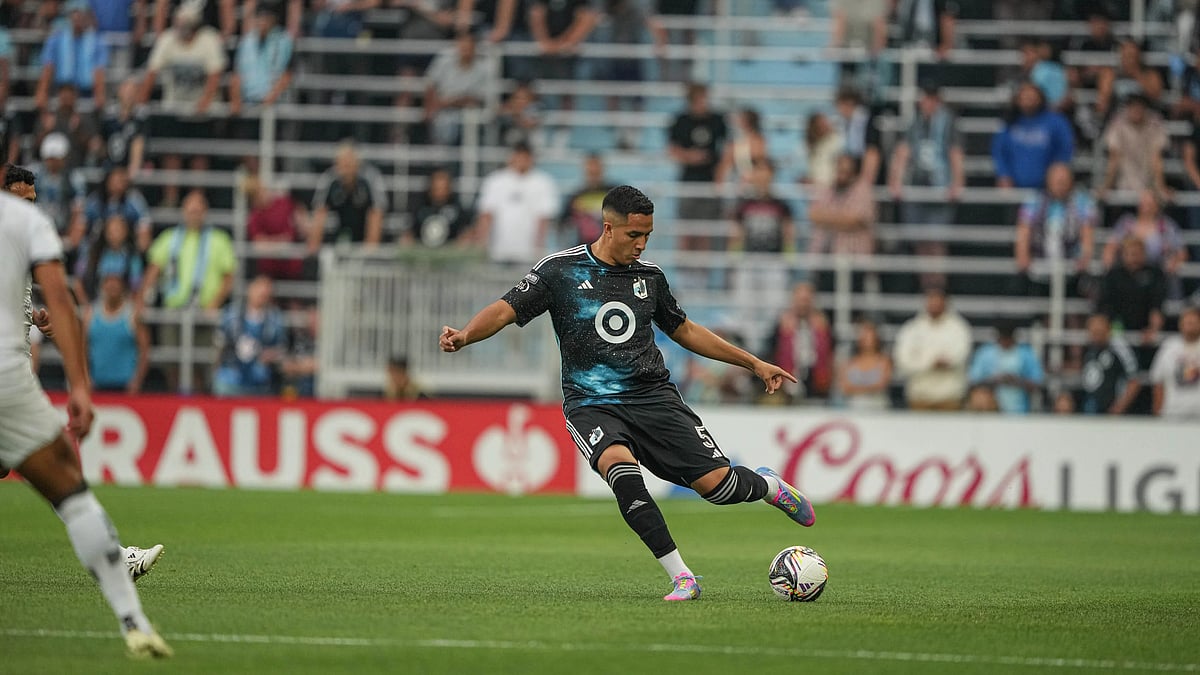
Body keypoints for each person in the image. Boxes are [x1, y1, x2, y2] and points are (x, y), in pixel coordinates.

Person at [440, 185, 816, 602]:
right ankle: (683, 577)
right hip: (591, 403)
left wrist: (754, 362)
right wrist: (466, 335)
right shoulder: (559, 271)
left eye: (648, 236)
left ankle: (768, 487)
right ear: (608, 227)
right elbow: (505, 309)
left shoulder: (650, 277)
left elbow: (685, 330)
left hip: (653, 397)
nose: (641, 244)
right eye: (634, 235)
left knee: (717, 487)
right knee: (622, 474)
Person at [0, 190, 172, 657]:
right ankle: (128, 604)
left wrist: (32, 324)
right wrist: (79, 385)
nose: (31, 200)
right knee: (67, 483)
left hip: (12, 379)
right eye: (24, 192)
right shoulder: (22, 222)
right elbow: (61, 296)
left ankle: (122, 562)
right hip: (7, 384)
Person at [142, 190, 237, 392]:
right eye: (190, 208)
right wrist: (141, 299)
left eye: (198, 208)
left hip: (204, 312)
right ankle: (176, 399)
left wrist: (214, 304)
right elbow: (153, 270)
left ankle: (200, 401)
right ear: (183, 211)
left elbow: (229, 277)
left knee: (201, 364)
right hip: (174, 310)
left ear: (205, 211)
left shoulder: (219, 239)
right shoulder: (170, 238)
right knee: (171, 361)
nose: (194, 212)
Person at [140, 3, 228, 208]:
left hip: (202, 112)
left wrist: (205, 100)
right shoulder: (167, 40)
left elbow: (215, 73)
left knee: (199, 157)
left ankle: (197, 199)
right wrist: (141, 100)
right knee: (171, 153)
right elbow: (152, 72)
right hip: (174, 108)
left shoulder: (209, 39)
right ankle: (171, 198)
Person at [888, 82, 964, 290]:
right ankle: (926, 289)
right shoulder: (914, 123)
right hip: (916, 189)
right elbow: (903, 152)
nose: (928, 103)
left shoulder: (948, 123)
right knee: (920, 243)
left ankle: (938, 289)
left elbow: (955, 153)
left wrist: (957, 183)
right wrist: (895, 180)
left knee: (937, 243)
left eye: (932, 99)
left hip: (940, 189)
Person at [1013, 162, 1097, 297]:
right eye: (1057, 181)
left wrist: (1085, 256)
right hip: (1040, 264)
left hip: (1071, 266)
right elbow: (1024, 231)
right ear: (1048, 181)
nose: (1060, 185)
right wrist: (1023, 255)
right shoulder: (1034, 201)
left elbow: (1087, 233)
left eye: (1064, 181)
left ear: (1071, 182)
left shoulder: (1082, 202)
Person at [473, 141, 560, 264]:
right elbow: (486, 216)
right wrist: (482, 244)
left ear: (531, 158)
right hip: (499, 251)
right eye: (519, 156)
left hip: (528, 254)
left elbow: (544, 219)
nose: (522, 160)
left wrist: (538, 249)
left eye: (525, 157)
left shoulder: (543, 183)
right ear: (512, 156)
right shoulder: (495, 181)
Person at [667, 83, 727, 251]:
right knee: (686, 229)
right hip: (688, 181)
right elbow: (672, 149)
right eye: (701, 98)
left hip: (710, 181)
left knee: (705, 230)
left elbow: (728, 147)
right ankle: (683, 273)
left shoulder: (717, 119)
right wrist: (690, 157)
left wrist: (720, 174)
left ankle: (701, 272)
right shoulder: (681, 121)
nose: (704, 102)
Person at [893, 287, 972, 410]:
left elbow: (960, 355)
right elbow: (903, 361)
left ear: (945, 302)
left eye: (938, 300)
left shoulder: (958, 328)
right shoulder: (912, 328)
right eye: (931, 300)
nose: (934, 304)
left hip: (950, 397)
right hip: (919, 397)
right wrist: (930, 364)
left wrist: (944, 362)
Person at [306, 142, 388, 253]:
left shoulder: (371, 178)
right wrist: (313, 251)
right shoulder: (329, 179)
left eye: (349, 164)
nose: (345, 170)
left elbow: (376, 214)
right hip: (340, 229)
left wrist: (370, 251)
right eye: (342, 164)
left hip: (365, 227)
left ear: (357, 163)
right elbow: (319, 215)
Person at [991, 81, 1074, 190]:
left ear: (1040, 97)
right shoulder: (1009, 122)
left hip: (1047, 189)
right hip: (1014, 186)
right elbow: (999, 151)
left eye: (1032, 97)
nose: (1028, 101)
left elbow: (1065, 149)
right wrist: (1003, 174)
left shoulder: (1056, 122)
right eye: (1025, 97)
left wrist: (1056, 175)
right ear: (1017, 99)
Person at [213, 275, 285, 397]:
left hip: (259, 381)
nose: (262, 293)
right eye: (259, 288)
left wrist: (268, 355)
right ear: (250, 289)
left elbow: (280, 349)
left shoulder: (275, 320)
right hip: (231, 378)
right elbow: (220, 344)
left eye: (266, 291)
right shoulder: (231, 315)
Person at [763, 282, 833, 403]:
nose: (803, 304)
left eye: (806, 299)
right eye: (800, 299)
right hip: (788, 375)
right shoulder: (782, 323)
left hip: (815, 378)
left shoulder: (822, 323)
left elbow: (831, 352)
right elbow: (771, 349)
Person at [35, 0, 109, 111]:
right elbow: (48, 68)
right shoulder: (56, 39)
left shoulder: (97, 42)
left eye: (81, 13)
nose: (77, 17)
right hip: (61, 91)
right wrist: (42, 92)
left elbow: (98, 71)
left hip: (86, 93)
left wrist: (99, 94)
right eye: (74, 13)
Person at [1097, 237, 1166, 351]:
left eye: (1137, 253)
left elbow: (1157, 306)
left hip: (1144, 328)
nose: (1133, 257)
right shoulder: (1113, 275)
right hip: (1116, 328)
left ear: (1144, 254)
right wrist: (1107, 327)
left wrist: (1153, 329)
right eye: (1130, 253)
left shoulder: (1154, 274)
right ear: (1123, 254)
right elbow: (1104, 303)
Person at [228, 2, 294, 120]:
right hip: (247, 103)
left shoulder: (284, 40)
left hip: (274, 105)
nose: (262, 21)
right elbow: (237, 73)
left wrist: (271, 97)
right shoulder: (247, 41)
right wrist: (236, 98)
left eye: (266, 17)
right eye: (259, 17)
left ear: (273, 20)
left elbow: (287, 74)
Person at [422, 31, 489, 145]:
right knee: (442, 122)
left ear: (474, 47)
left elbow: (476, 99)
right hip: (441, 110)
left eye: (469, 45)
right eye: (462, 45)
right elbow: (430, 84)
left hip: (468, 113)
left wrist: (448, 102)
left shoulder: (484, 67)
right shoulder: (444, 59)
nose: (465, 49)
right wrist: (429, 108)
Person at [1102, 189, 1186, 280]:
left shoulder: (1167, 225)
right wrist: (1109, 265)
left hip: (1158, 276)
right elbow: (1111, 246)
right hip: (1128, 275)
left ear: (1157, 206)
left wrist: (1173, 264)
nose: (1145, 206)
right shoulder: (1126, 222)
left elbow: (1181, 252)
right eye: (1143, 202)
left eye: (1149, 203)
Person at [86, 273, 150, 393]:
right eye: (109, 284)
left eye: (116, 284)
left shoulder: (132, 315)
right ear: (103, 287)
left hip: (125, 384)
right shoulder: (91, 314)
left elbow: (144, 350)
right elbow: (82, 347)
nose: (112, 288)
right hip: (96, 383)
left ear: (122, 288)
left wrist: (137, 380)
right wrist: (85, 377)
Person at [31, 133, 87, 267]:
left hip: (64, 229)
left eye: (56, 158)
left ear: (64, 158)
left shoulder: (74, 178)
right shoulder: (35, 175)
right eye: (50, 158)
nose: (53, 162)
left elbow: (78, 209)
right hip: (38, 227)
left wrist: (69, 238)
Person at [966, 319, 1044, 415]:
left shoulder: (1025, 354)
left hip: (1020, 411)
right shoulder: (985, 353)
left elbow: (1037, 382)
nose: (1005, 342)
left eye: (1008, 338)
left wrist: (1016, 381)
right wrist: (995, 380)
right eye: (1003, 338)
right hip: (990, 411)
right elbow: (974, 380)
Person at [808, 154, 875, 265]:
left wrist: (827, 219)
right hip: (825, 256)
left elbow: (855, 220)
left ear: (854, 172)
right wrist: (840, 218)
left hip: (854, 258)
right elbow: (813, 215)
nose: (841, 175)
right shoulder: (827, 189)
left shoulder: (863, 190)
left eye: (846, 171)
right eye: (839, 170)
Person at [1099, 94, 1169, 199]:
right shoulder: (1117, 124)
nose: (1136, 110)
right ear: (1128, 108)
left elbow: (1156, 159)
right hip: (1123, 187)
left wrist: (1161, 187)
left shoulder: (1155, 124)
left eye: (1140, 107)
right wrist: (1107, 186)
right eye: (1133, 106)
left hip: (1148, 189)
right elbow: (1114, 158)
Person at [75, 213, 144, 307]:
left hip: (123, 307)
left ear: (125, 232)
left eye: (118, 229)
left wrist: (129, 310)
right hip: (96, 305)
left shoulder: (132, 256)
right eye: (111, 230)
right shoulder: (92, 253)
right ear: (105, 231)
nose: (115, 234)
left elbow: (136, 287)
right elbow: (78, 281)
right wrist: (86, 305)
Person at [245, 174, 306, 280]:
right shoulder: (254, 217)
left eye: (262, 190)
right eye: (257, 193)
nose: (262, 194)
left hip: (292, 266)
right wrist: (281, 242)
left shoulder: (284, 203)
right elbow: (259, 244)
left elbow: (302, 223)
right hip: (269, 272)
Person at [1079, 313, 1141, 415]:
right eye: (1092, 331)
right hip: (1091, 409)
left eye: (1098, 331)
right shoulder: (1090, 348)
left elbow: (1134, 380)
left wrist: (1118, 407)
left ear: (1108, 329)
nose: (1095, 334)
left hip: (1112, 412)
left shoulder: (1119, 347)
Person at [83, 165, 153, 252]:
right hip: (98, 244)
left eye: (120, 180)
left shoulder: (135, 200)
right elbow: (82, 221)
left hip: (128, 244)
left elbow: (144, 224)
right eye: (114, 180)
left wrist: (142, 249)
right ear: (107, 181)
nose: (117, 185)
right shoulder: (95, 200)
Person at [1149, 305, 1200, 419]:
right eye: (1186, 322)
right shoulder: (1169, 346)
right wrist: (1158, 412)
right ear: (1180, 324)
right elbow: (1158, 381)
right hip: (1173, 412)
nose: (1189, 326)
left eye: (1193, 322)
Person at [404, 167, 472, 249]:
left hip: (450, 255)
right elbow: (410, 233)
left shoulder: (457, 210)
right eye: (437, 188)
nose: (440, 192)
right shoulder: (420, 209)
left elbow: (466, 232)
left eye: (443, 188)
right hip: (424, 255)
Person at [560, 153, 616, 247]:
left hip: (610, 248)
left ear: (602, 169)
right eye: (590, 169)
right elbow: (563, 223)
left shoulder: (615, 193)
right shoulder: (576, 196)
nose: (593, 171)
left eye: (596, 168)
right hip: (584, 248)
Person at [838, 320, 891, 411]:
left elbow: (881, 385)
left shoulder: (884, 361)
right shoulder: (850, 362)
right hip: (854, 407)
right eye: (864, 335)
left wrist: (856, 389)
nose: (867, 339)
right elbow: (844, 387)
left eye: (869, 335)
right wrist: (869, 388)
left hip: (878, 407)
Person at [99, 78, 147, 176]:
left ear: (136, 94)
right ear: (119, 91)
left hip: (128, 166)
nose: (129, 95)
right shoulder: (108, 117)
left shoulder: (141, 118)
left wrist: (133, 167)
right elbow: (102, 141)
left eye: (132, 91)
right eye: (126, 90)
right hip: (110, 163)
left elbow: (139, 142)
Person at [714, 107, 768, 189]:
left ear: (746, 122)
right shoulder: (734, 143)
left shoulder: (759, 142)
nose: (736, 121)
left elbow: (761, 164)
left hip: (754, 185)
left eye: (740, 119)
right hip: (738, 184)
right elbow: (724, 165)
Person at [802, 111, 842, 187]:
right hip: (814, 185)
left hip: (830, 185)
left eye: (825, 122)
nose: (826, 125)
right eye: (821, 123)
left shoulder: (835, 140)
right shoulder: (807, 145)